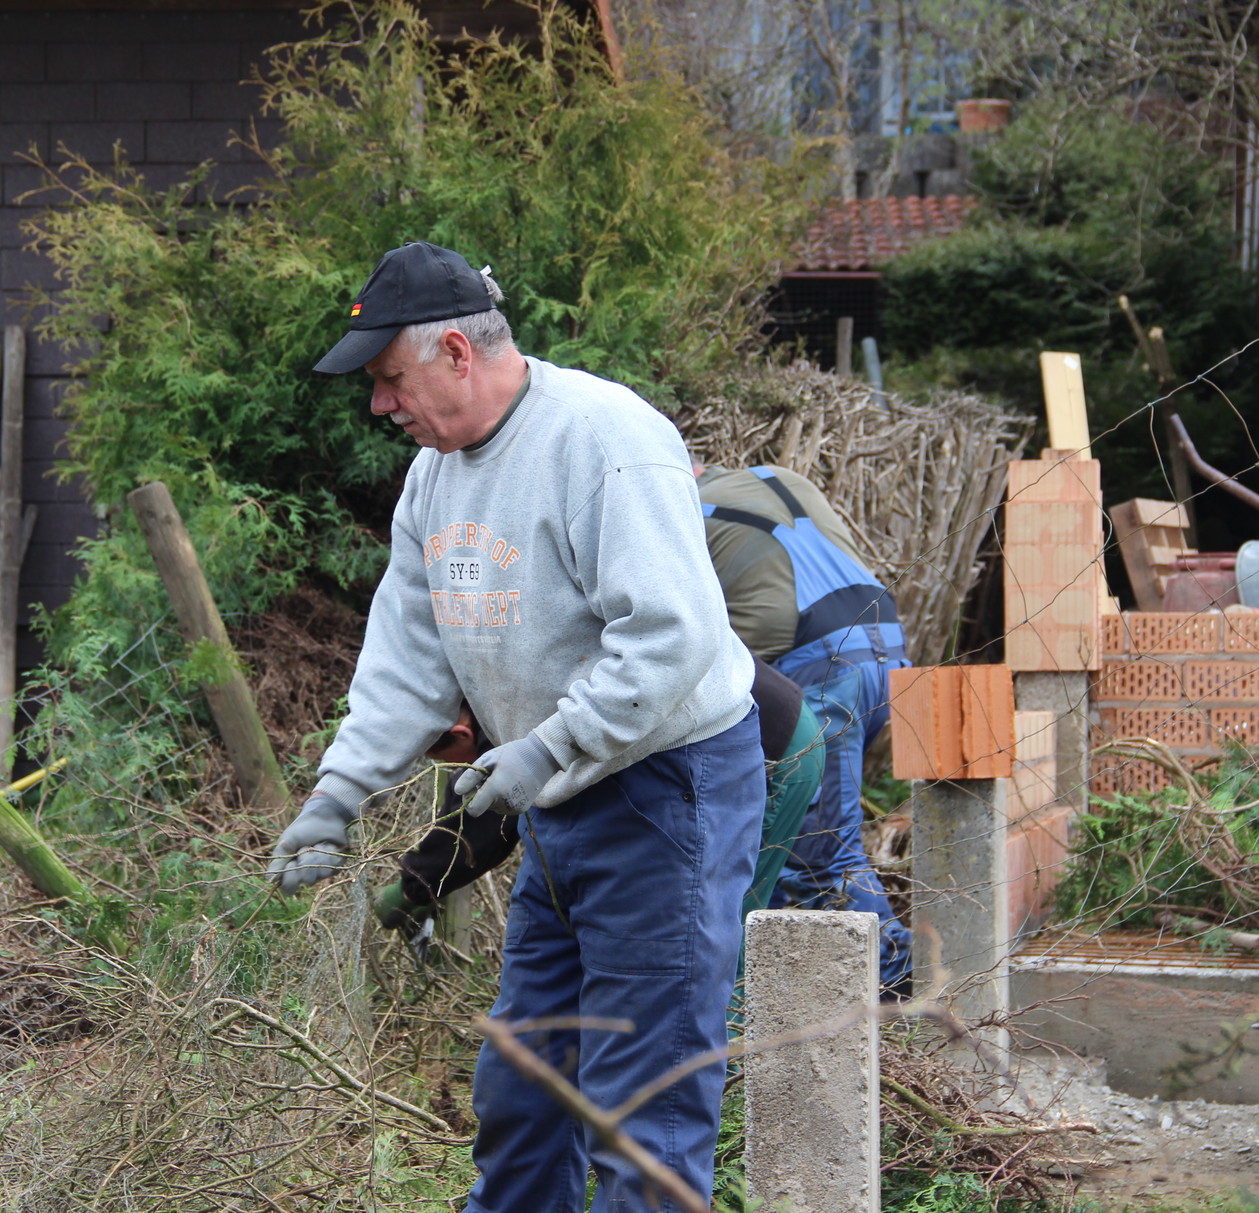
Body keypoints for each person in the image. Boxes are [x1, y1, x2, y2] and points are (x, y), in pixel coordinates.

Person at [266, 241, 766, 1213]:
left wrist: (545, 744)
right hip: (558, 804)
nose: (379, 405)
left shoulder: (601, 441)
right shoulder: (432, 479)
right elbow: (405, 659)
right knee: (522, 1083)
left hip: (666, 791)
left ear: (455, 350)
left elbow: (672, 634)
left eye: (386, 378)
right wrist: (338, 792)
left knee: (643, 1100)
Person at [371, 659, 823, 943]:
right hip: (737, 727)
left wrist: (410, 889)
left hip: (774, 744)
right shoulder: (501, 684)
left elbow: (482, 826)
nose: (454, 772)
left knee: (713, 927)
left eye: (443, 757)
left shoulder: (511, 713)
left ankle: (728, 1074)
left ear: (461, 732)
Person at [694, 462, 913, 993]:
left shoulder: (682, 510)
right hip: (885, 651)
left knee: (820, 850)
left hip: (822, 669)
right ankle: (816, 988)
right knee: (805, 839)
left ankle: (896, 983)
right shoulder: (776, 476)